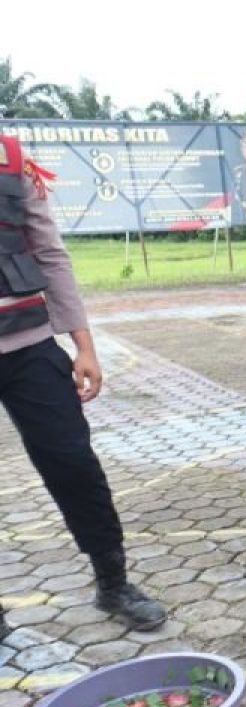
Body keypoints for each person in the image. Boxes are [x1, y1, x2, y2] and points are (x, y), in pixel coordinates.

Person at [0, 135, 167, 637]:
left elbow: (48, 251)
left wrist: (83, 345)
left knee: (73, 462)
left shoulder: (11, 158)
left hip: (29, 345)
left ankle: (113, 582)